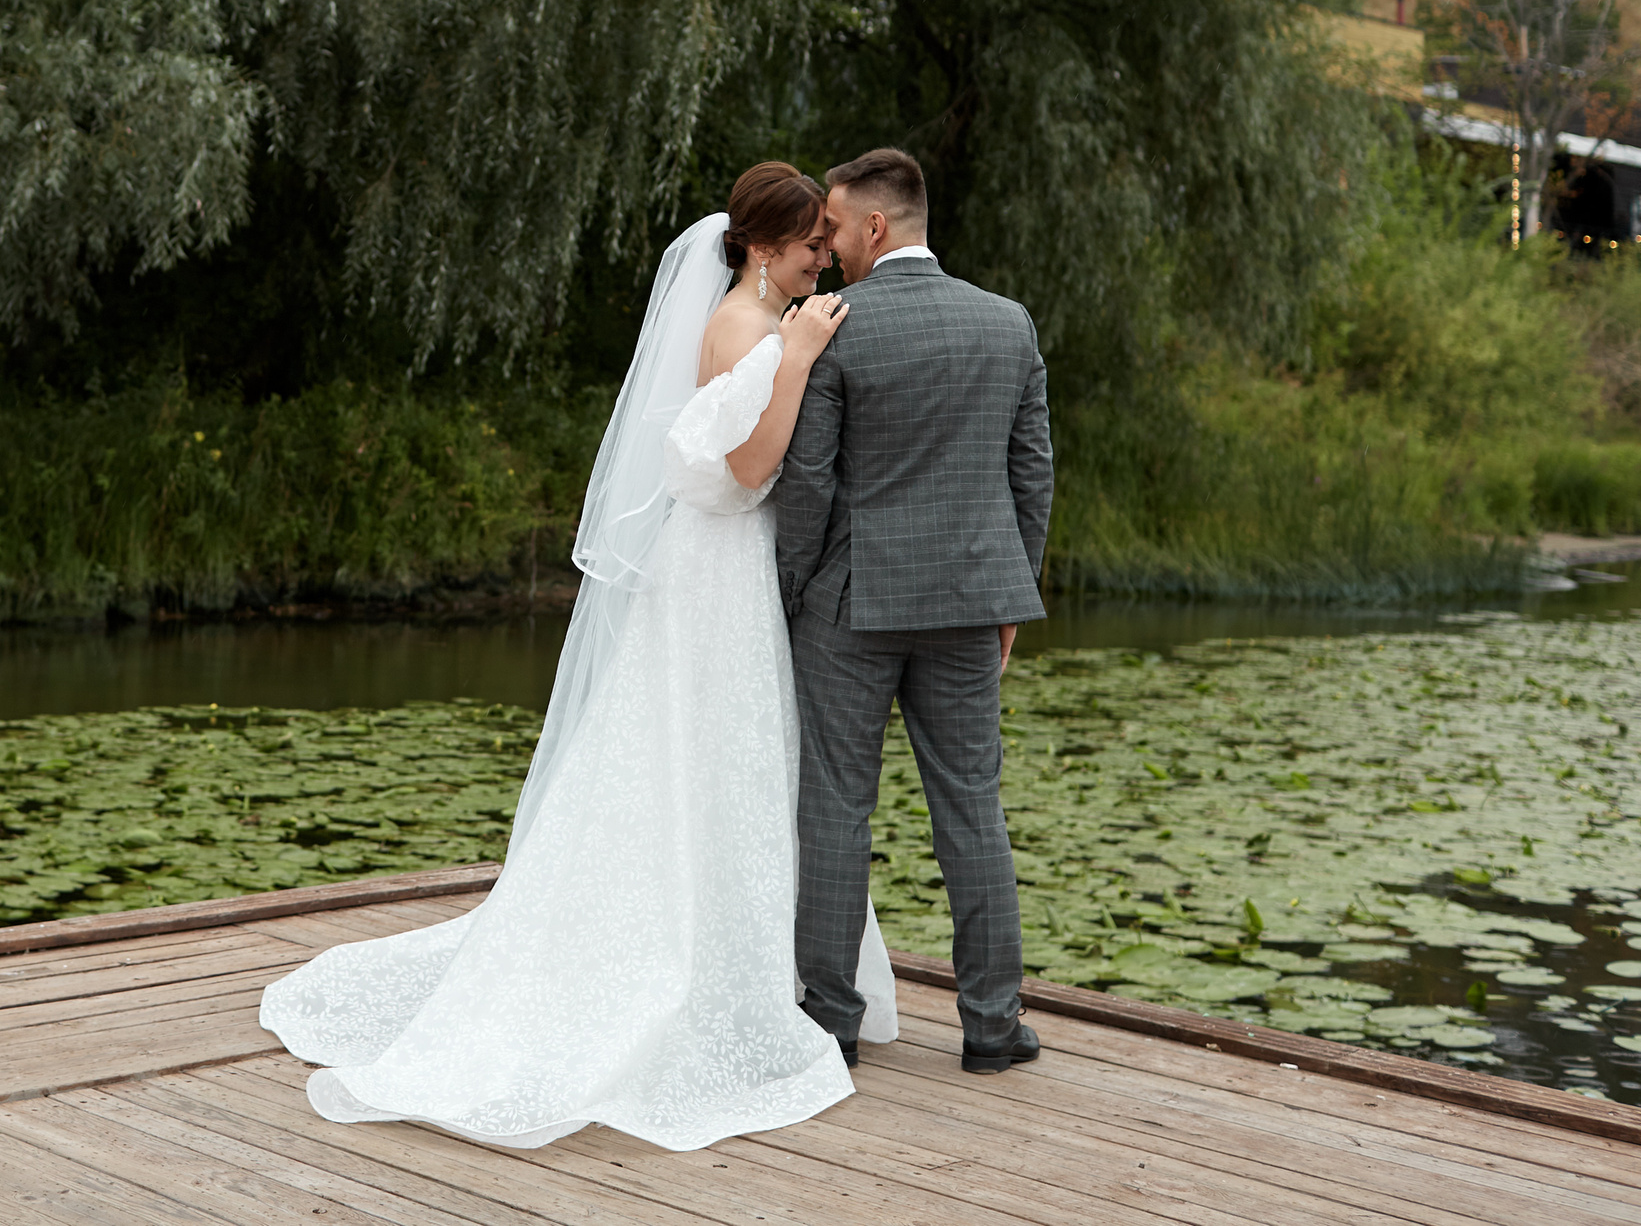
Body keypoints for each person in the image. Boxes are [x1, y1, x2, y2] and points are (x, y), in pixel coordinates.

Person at [258, 161, 898, 1151]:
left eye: (827, 239)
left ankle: (758, 956)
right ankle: (691, 965)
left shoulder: (764, 320)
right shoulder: (747, 328)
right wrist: (802, 361)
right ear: (763, 249)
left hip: (728, 570)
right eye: (813, 242)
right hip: (717, 565)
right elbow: (743, 469)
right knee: (700, 754)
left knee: (731, 759)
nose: (827, 255)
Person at [774, 147, 1054, 1074]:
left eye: (840, 227)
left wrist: (787, 596)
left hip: (851, 606)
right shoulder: (1007, 323)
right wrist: (1012, 594)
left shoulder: (837, 327)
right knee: (972, 804)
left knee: (838, 808)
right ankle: (991, 1026)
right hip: (974, 601)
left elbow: (809, 482)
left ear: (877, 226)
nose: (833, 245)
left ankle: (831, 1021)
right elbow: (1031, 474)